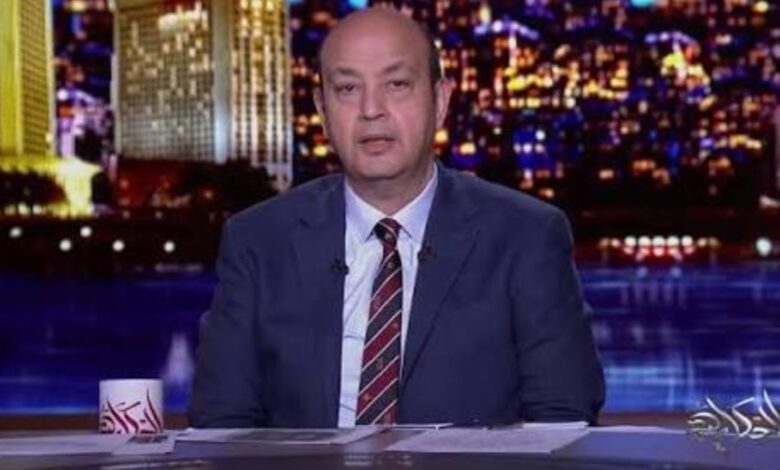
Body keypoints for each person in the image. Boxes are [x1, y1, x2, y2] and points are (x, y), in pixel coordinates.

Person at [188, 7, 604, 428]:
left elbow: (563, 418)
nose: (371, 109)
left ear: (440, 101)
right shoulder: (258, 241)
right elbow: (222, 422)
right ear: (322, 110)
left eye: (397, 84)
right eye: (347, 88)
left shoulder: (527, 236)